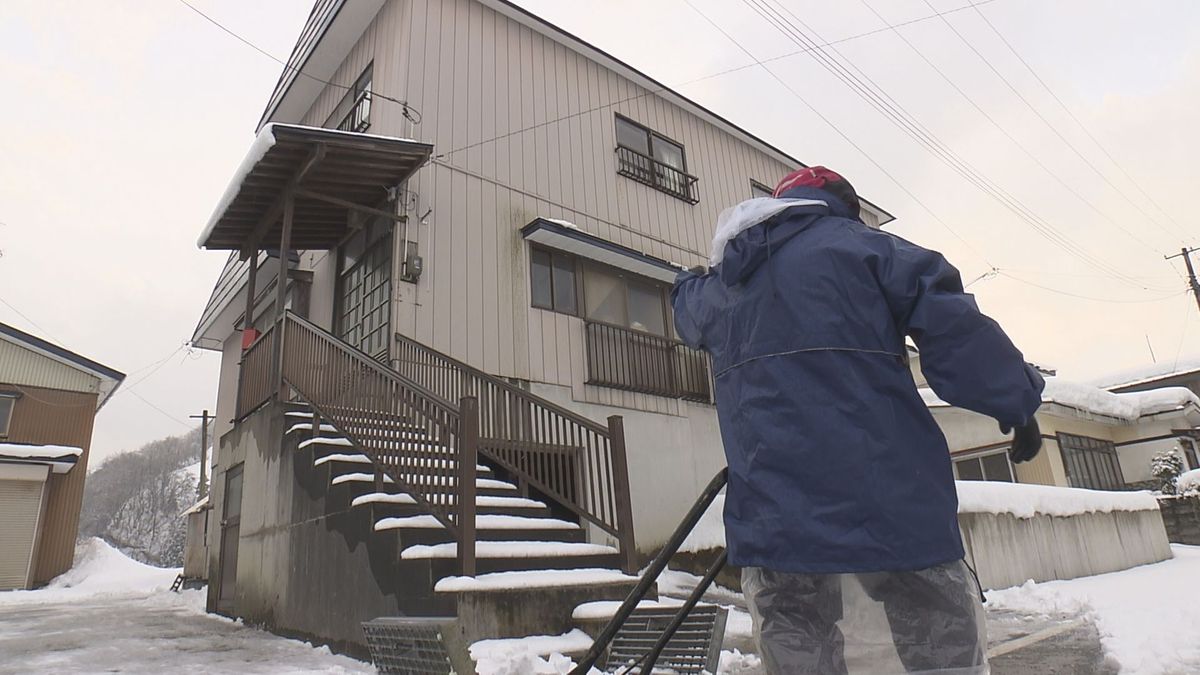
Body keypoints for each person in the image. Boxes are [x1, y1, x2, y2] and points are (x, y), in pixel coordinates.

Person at [671, 167, 1045, 674]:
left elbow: (685, 306)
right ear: (840, 206)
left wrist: (692, 279)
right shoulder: (868, 250)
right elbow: (957, 331)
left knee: (797, 636)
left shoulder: (723, 284)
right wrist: (1016, 400)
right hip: (890, 497)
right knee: (935, 636)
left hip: (775, 513)